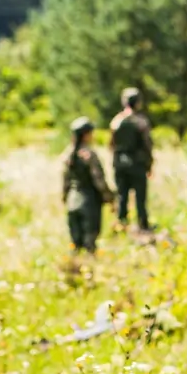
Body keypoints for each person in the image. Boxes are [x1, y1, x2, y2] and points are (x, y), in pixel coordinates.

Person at [62, 116, 114, 255]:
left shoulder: (68, 155)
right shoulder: (89, 155)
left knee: (75, 244)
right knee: (90, 244)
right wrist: (110, 198)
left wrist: (65, 198)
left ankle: (74, 266)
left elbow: (65, 181)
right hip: (89, 202)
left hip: (72, 201)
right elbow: (99, 180)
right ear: (86, 135)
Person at [109, 87, 154, 233]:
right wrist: (149, 164)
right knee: (140, 197)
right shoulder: (141, 121)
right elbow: (147, 145)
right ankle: (143, 225)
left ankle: (122, 224)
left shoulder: (116, 121)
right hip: (137, 163)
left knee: (122, 196)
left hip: (120, 164)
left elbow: (111, 145)